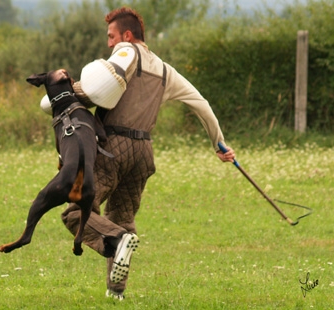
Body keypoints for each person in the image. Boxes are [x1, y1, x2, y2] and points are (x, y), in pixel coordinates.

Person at [61, 7, 236, 300]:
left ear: (127, 36)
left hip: (111, 148)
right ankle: (116, 291)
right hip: (143, 153)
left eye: (111, 36)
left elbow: (94, 89)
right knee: (122, 217)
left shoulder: (125, 52)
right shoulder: (166, 71)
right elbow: (201, 104)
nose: (110, 44)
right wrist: (219, 144)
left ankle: (118, 240)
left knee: (75, 211)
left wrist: (63, 94)